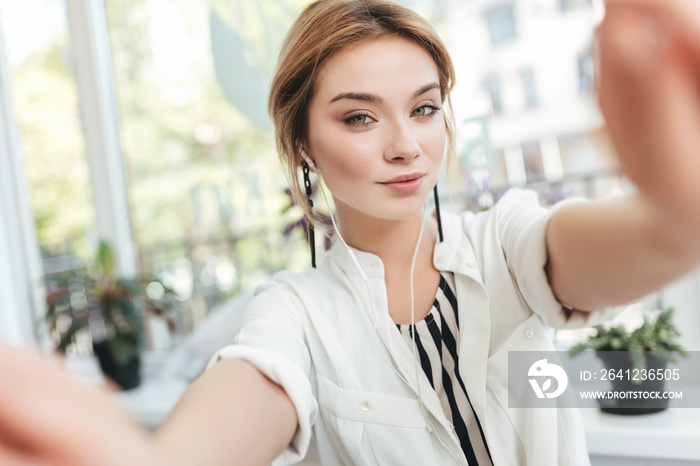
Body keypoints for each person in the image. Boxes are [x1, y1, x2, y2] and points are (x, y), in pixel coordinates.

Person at [1, 0, 700, 464]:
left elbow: (650, 241)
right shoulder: (295, 312)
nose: (407, 146)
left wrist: (677, 204)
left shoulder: (507, 244)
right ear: (302, 143)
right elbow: (246, 395)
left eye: (424, 109)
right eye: (360, 117)